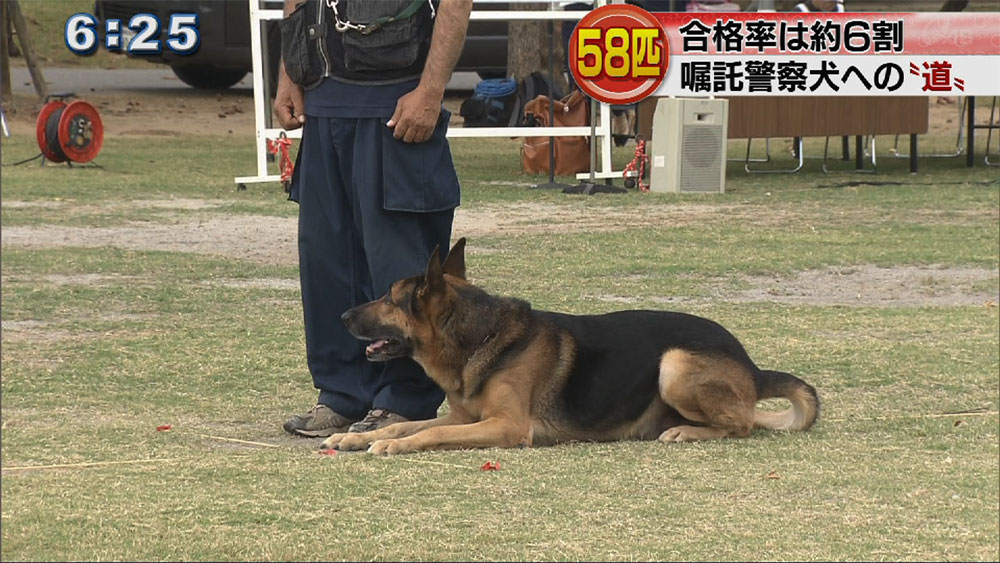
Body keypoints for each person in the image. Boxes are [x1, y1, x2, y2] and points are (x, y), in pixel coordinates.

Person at [274, 0, 473, 438]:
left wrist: (431, 91)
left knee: (400, 265)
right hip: (323, 106)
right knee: (326, 261)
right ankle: (341, 394)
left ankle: (406, 400)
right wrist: (290, 74)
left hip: (396, 105)